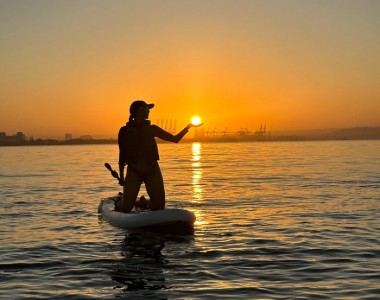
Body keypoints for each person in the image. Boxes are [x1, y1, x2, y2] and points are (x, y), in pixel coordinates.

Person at [117, 100, 202, 213]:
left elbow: (175, 139)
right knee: (125, 208)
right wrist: (122, 177)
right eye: (145, 109)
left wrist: (188, 127)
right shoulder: (124, 131)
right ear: (135, 113)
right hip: (134, 171)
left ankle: (143, 202)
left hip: (152, 170)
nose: (148, 111)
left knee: (159, 207)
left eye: (148, 109)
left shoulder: (153, 129)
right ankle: (119, 201)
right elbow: (122, 156)